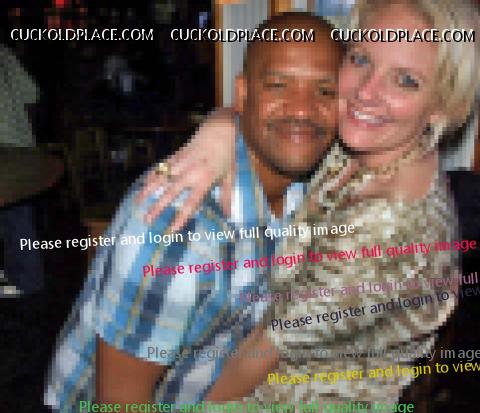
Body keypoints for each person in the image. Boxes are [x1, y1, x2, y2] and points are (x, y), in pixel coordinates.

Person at [139, 0, 480, 405]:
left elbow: (261, 353)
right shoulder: (373, 147)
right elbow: (274, 118)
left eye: (405, 80)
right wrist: (220, 127)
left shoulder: (384, 227)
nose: (366, 92)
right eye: (361, 59)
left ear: (443, 105)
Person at [45, 13, 343, 410]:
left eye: (325, 90)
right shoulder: (178, 232)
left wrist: (222, 121)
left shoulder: (318, 183)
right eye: (278, 85)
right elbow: (120, 402)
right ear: (243, 94)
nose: (303, 109)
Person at [0, 44, 44, 297]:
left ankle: (27, 280)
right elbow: (32, 95)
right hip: (20, 146)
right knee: (16, 216)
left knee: (15, 218)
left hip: (6, 150)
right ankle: (21, 276)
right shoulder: (4, 52)